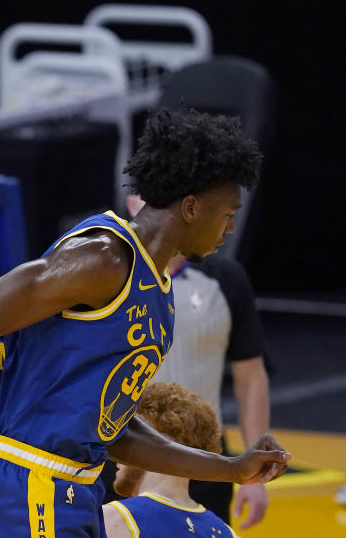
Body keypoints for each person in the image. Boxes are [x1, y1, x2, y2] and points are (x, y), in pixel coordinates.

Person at [0, 108, 290, 536]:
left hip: (78, 490)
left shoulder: (156, 292)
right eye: (227, 213)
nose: (229, 228)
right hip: (31, 485)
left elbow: (114, 432)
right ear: (190, 207)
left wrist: (231, 469)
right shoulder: (103, 259)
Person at [116, 194, 271, 529]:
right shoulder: (107, 275)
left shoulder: (226, 280)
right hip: (122, 459)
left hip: (206, 463)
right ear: (133, 203)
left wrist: (255, 476)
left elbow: (251, 376)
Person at [103, 382, 240, 538]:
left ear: (152, 440)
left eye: (126, 436)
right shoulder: (226, 533)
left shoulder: (113, 519)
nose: (115, 448)